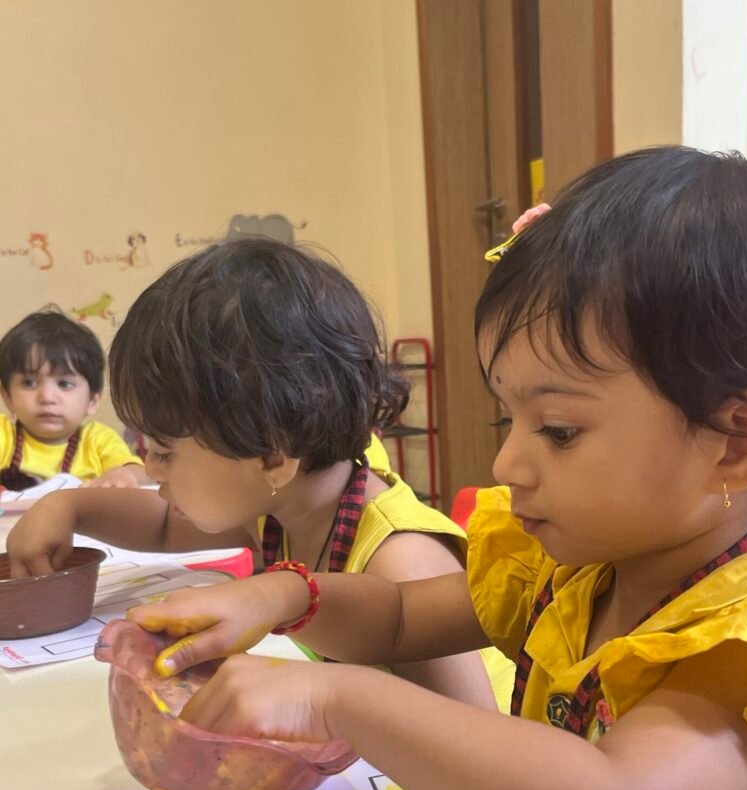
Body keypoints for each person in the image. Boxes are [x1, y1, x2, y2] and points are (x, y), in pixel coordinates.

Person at [120, 148, 747, 790]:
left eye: (558, 430)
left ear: (740, 440)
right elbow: (398, 616)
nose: (507, 463)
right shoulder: (570, 566)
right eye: (510, 417)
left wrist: (333, 698)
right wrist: (281, 596)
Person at [7, 239, 513, 709]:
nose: (150, 469)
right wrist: (68, 506)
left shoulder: (400, 559)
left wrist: (321, 706)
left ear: (271, 456)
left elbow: (477, 740)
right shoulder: (282, 505)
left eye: (164, 451)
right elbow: (161, 524)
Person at [0, 308, 145, 489]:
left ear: (92, 400)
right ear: (7, 397)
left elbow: (141, 474)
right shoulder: (4, 434)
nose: (47, 397)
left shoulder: (97, 440)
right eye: (29, 383)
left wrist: (123, 475)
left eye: (64, 384)